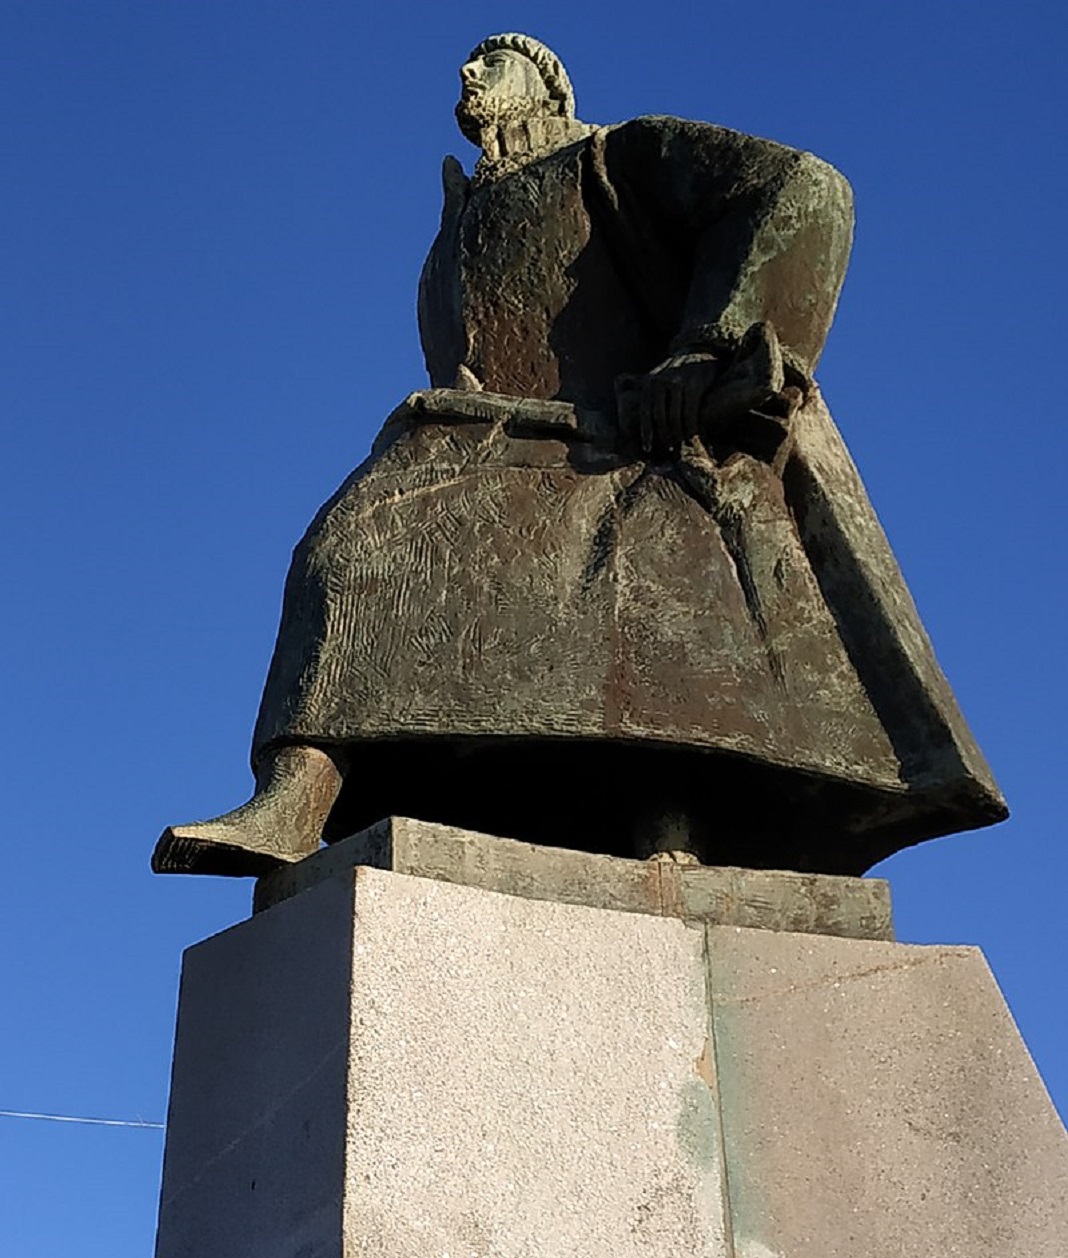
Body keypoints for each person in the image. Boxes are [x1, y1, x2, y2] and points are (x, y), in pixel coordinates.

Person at [153, 33, 1006, 879]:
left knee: (652, 583)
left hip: (632, 442)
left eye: (494, 61)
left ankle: (669, 822)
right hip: (473, 442)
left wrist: (702, 348)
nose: (468, 72)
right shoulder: (457, 221)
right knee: (342, 556)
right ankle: (296, 795)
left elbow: (802, 189)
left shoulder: (616, 155)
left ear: (549, 89)